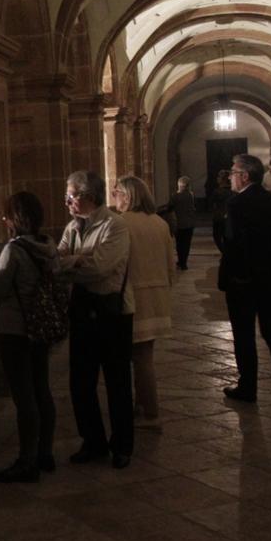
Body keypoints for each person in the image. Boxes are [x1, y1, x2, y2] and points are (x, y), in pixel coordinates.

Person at [0, 191, 61, 484]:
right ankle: (44, 453)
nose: (3, 220)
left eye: (6, 215)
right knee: (41, 388)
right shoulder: (47, 245)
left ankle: (27, 462)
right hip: (41, 327)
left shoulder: (14, 249)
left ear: (15, 219)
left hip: (15, 329)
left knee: (23, 396)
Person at [57, 170, 135, 469]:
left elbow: (99, 269)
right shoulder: (72, 227)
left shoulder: (114, 226)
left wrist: (74, 263)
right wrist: (75, 261)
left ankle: (123, 445)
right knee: (81, 381)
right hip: (81, 308)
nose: (67, 202)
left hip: (111, 311)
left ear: (88, 197)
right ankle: (93, 441)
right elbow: (56, 261)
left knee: (117, 381)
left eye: (70, 196)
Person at [220, 154, 271, 411]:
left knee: (244, 336)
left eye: (233, 172)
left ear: (245, 176)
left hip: (243, 282)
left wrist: (235, 274)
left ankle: (248, 387)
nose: (230, 177)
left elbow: (233, 244)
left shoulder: (236, 204)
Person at [112, 176, 176, 431]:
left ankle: (150, 413)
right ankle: (142, 405)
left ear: (127, 196)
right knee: (143, 357)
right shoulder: (159, 223)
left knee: (134, 360)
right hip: (156, 297)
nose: (113, 195)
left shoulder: (121, 223)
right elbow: (170, 265)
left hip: (132, 298)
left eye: (116, 191)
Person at [160, 176, 196, 270]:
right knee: (187, 244)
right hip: (190, 223)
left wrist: (159, 212)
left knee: (180, 244)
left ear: (179, 185)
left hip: (179, 223)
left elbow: (169, 208)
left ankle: (181, 262)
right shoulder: (191, 195)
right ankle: (184, 262)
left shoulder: (175, 196)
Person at [209, 169, 233, 253]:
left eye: (219, 177)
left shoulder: (217, 191)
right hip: (228, 216)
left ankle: (225, 253)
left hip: (219, 217)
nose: (217, 179)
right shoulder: (232, 191)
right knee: (226, 237)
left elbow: (211, 203)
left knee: (217, 237)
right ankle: (227, 253)